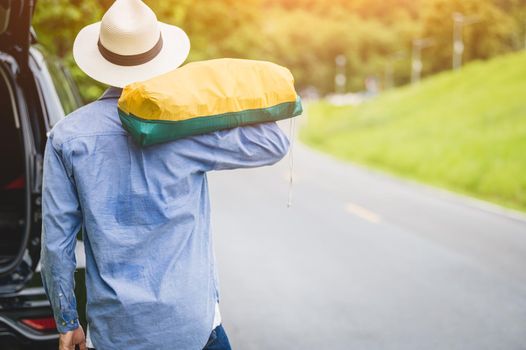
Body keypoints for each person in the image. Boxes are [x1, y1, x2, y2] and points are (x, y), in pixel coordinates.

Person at [40, 1, 289, 349]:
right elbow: (274, 142)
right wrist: (191, 90)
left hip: (116, 334)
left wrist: (68, 321)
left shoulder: (67, 137)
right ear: (160, 60)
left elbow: (56, 245)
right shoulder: (186, 127)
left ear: (102, 60)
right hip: (194, 329)